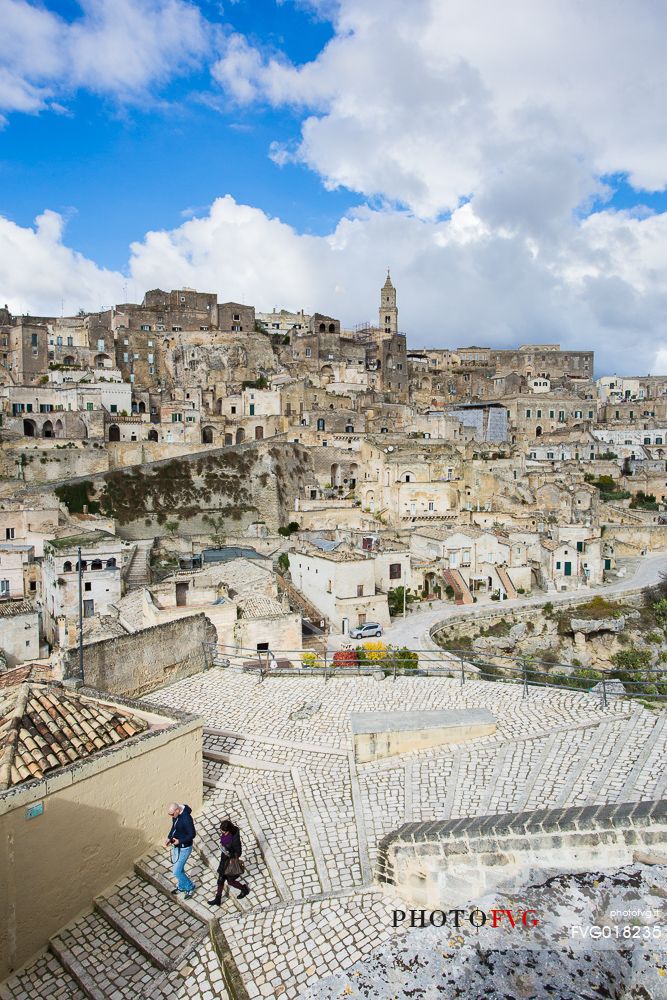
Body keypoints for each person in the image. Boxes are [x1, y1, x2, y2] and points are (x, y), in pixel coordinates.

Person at [208, 818, 250, 905]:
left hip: (230, 862)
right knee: (220, 880)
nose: (222, 833)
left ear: (229, 830)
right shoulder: (226, 835)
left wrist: (229, 853)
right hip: (224, 861)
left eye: (224, 832)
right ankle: (218, 899)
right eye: (222, 831)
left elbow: (238, 852)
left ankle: (244, 889)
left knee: (230, 881)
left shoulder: (234, 839)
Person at [165, 802, 196, 898]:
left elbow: (192, 835)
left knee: (176, 871)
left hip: (185, 848)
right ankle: (182, 886)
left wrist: (180, 841)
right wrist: (169, 837)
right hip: (177, 846)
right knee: (180, 868)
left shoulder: (186, 819)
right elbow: (174, 827)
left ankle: (190, 887)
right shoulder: (175, 815)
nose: (171, 816)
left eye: (172, 814)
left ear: (177, 810)